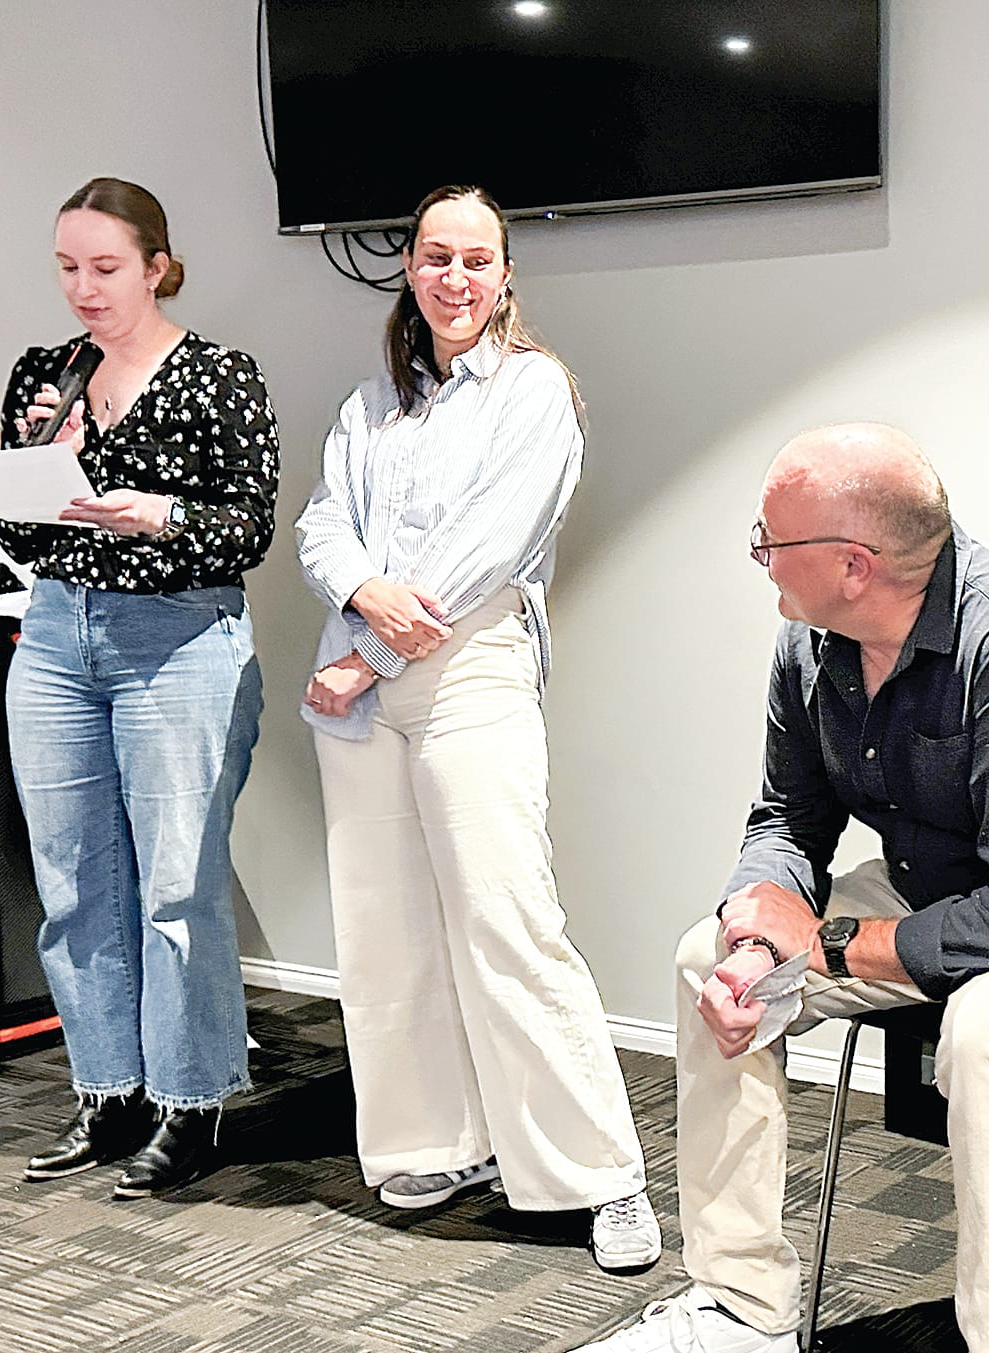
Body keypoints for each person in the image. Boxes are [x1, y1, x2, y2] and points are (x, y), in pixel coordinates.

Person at [575, 423, 989, 1353]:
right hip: (956, 890)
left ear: (854, 563)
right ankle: (740, 1308)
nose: (758, 556)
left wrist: (827, 945)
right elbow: (788, 819)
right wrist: (762, 932)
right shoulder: (814, 643)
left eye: (769, 538)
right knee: (709, 956)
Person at [295, 185, 660, 1271]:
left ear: (507, 278)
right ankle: (434, 1144)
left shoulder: (535, 391)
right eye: (434, 256)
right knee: (385, 932)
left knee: (508, 924)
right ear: (408, 267)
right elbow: (322, 524)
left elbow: (492, 542)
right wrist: (360, 591)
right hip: (358, 689)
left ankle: (603, 1180)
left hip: (468, 672)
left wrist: (371, 648)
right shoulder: (374, 405)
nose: (454, 278)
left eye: (476, 261)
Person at [0, 178, 279, 1198]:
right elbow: (15, 532)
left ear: (157, 264)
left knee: (176, 888)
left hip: (178, 637)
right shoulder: (46, 372)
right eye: (67, 268)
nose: (84, 289)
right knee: (72, 887)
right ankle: (107, 1091)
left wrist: (155, 514)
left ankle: (191, 1103)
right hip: (60, 635)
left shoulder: (216, 373)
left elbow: (248, 527)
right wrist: (42, 471)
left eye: (105, 267)